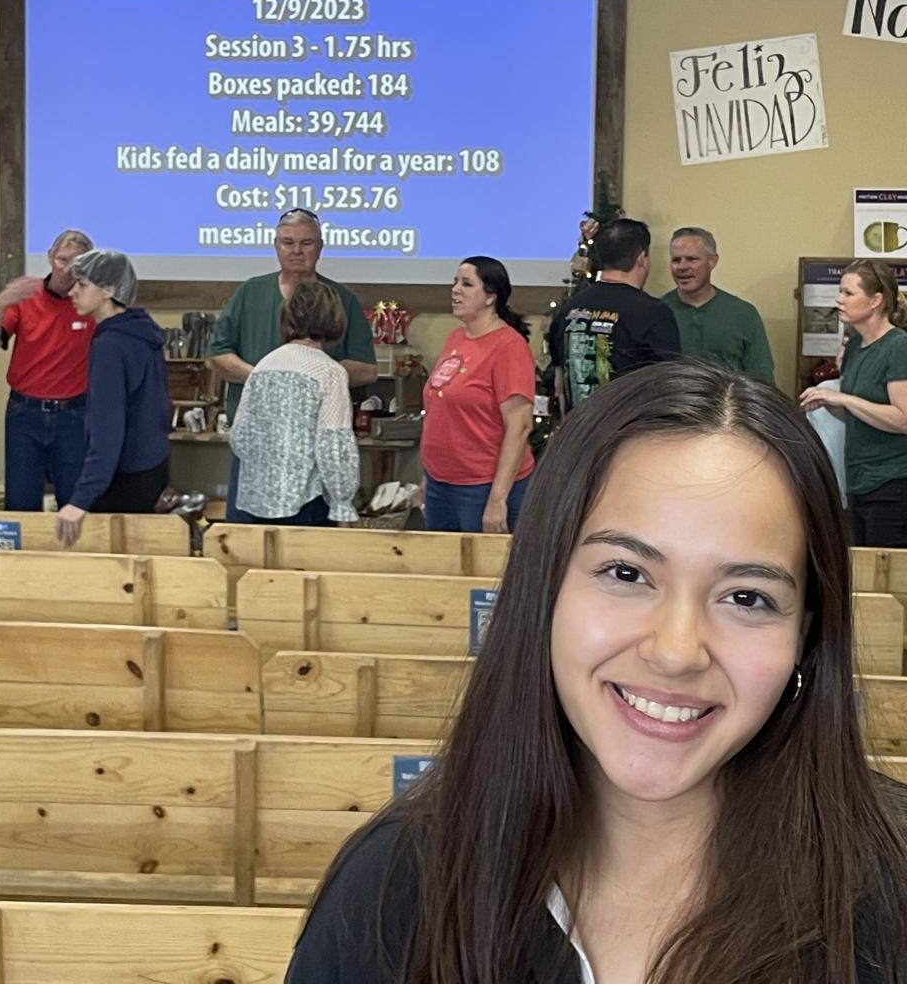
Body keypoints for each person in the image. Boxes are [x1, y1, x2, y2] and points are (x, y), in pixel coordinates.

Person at [286, 359, 907, 984]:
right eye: (626, 573)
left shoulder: (890, 896)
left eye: (747, 597)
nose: (676, 652)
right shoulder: (392, 891)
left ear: (805, 635)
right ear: (545, 586)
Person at [207, 209, 377, 523]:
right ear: (276, 246)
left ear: (320, 246)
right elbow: (217, 355)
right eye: (288, 242)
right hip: (257, 455)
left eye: (306, 243)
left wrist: (301, 377)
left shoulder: (341, 299)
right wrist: (267, 380)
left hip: (313, 459)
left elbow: (366, 369)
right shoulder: (250, 293)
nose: (297, 251)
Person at [55, 250, 171, 546]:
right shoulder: (143, 334)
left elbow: (107, 429)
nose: (72, 291)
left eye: (82, 284)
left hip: (123, 478)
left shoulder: (111, 345)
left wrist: (80, 500)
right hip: (152, 468)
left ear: (108, 290)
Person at [0, 229, 94, 510]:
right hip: (24, 414)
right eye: (62, 260)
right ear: (51, 257)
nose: (67, 270)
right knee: (20, 503)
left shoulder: (92, 302)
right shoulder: (26, 297)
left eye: (77, 263)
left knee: (75, 505)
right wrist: (0, 303)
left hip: (75, 415)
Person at [229, 281, 359, 527]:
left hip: (258, 502)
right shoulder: (329, 372)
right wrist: (342, 504)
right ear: (334, 319)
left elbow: (240, 436)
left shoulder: (263, 367)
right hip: (307, 502)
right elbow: (334, 445)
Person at [421, 257, 534, 534]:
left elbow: (520, 425)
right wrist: (428, 476)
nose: (455, 290)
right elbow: (441, 409)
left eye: (467, 284)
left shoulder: (509, 346)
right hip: (440, 483)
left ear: (490, 297)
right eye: (455, 282)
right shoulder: (456, 338)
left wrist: (497, 499)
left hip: (481, 486)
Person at [800, 258, 907, 547]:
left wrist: (843, 398)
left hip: (893, 482)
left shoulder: (898, 346)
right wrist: (828, 403)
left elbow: (903, 419)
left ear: (875, 300)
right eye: (840, 291)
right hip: (859, 480)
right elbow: (857, 414)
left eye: (848, 293)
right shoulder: (855, 347)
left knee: (886, 568)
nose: (839, 299)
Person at [549, 218, 680, 412]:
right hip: (630, 427)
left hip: (578, 426)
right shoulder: (654, 313)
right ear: (642, 258)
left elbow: (560, 387)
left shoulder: (567, 310)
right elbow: (670, 387)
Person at [662, 227, 775, 383]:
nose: (682, 267)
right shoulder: (657, 312)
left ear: (712, 261)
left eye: (692, 259)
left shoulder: (743, 314)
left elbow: (762, 378)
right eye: (676, 260)